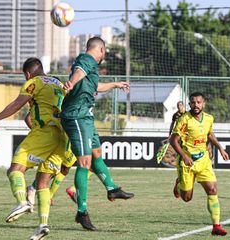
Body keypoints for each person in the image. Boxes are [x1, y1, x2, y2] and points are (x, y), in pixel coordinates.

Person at [0, 58, 66, 240]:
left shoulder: (34, 82)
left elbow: (16, 104)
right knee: (42, 183)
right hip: (62, 137)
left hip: (45, 131)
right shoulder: (58, 83)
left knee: (15, 169)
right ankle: (43, 225)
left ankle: (22, 202)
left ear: (27, 74)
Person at [61, 36, 134, 231]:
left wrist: (115, 84)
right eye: (104, 53)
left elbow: (92, 85)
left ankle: (112, 189)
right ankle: (82, 212)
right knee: (84, 163)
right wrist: (70, 82)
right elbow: (78, 73)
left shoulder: (90, 65)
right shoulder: (87, 59)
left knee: (96, 154)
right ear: (101, 50)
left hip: (85, 115)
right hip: (76, 116)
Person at [169, 92, 230, 236]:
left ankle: (216, 226)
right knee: (186, 198)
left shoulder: (209, 118)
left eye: (199, 102)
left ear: (204, 104)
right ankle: (178, 184)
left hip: (203, 160)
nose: (196, 105)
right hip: (187, 162)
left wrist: (220, 148)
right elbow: (173, 140)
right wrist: (183, 156)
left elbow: (210, 135)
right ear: (189, 104)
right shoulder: (184, 119)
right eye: (193, 102)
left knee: (213, 189)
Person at [157, 101, 186, 166]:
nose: (179, 107)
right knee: (177, 147)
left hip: (186, 134)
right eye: (178, 106)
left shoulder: (187, 114)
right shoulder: (175, 115)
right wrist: (170, 133)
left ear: (183, 106)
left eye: (180, 105)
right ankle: (179, 161)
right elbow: (172, 124)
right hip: (178, 133)